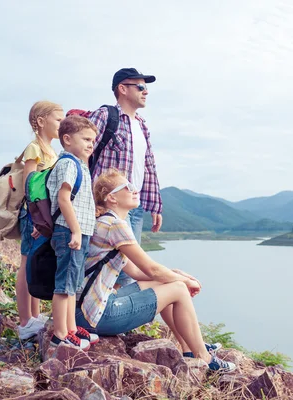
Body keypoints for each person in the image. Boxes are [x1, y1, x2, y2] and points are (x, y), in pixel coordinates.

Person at [75, 169, 236, 372]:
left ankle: (189, 347)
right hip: (96, 315)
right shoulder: (114, 225)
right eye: (128, 187)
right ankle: (204, 357)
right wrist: (185, 281)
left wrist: (176, 273)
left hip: (86, 310)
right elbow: (151, 269)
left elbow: (136, 271)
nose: (134, 190)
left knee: (168, 283)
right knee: (177, 288)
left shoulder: (107, 221)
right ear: (112, 198)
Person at [88, 68, 163, 288]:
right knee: (117, 268)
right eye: (140, 87)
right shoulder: (105, 116)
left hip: (134, 206)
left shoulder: (142, 125)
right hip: (110, 205)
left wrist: (155, 205)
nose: (145, 92)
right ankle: (101, 314)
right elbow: (82, 152)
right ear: (122, 88)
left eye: (146, 88)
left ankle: (112, 314)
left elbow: (148, 166)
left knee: (128, 269)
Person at [46, 115, 99, 350]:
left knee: (73, 285)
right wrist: (76, 231)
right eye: (85, 139)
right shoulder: (68, 163)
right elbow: (64, 199)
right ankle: (60, 334)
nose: (90, 144)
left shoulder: (80, 164)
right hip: (69, 231)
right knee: (65, 284)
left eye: (92, 140)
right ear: (67, 139)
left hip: (78, 232)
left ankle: (71, 329)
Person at [16, 101, 62, 340]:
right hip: (34, 214)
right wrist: (37, 218)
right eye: (58, 119)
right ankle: (25, 322)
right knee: (26, 264)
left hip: (41, 215)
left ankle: (34, 316)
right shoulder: (35, 148)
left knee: (34, 262)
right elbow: (29, 185)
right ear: (41, 121)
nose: (61, 124)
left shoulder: (50, 149)